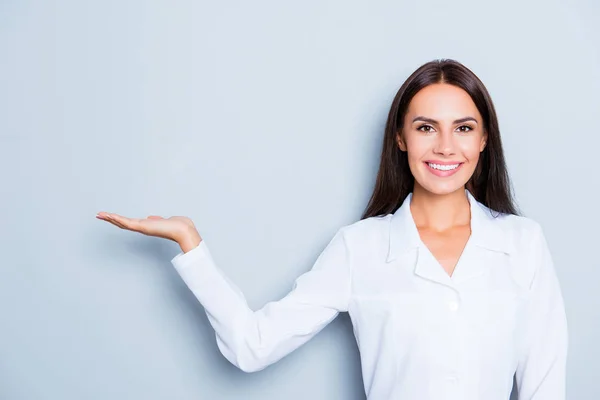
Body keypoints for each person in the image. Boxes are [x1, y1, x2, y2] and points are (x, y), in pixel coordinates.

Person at [96, 59, 568, 400]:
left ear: (484, 140)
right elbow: (251, 347)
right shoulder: (358, 248)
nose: (445, 146)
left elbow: (545, 384)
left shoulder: (522, 243)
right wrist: (189, 243)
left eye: (463, 128)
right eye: (426, 128)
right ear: (401, 138)